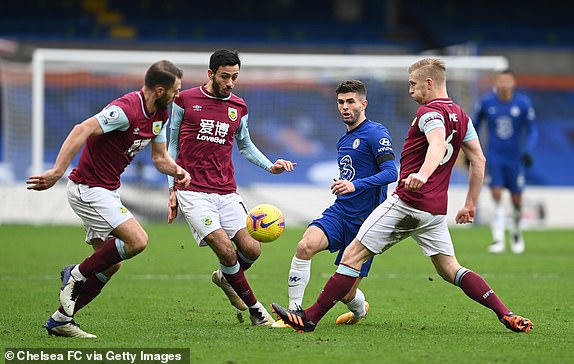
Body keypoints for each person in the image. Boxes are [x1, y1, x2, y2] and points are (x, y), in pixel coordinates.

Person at [271, 58, 533, 334]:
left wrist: (423, 174)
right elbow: (478, 159)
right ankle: (507, 313)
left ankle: (309, 318)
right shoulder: (462, 115)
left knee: (351, 255)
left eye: (413, 84)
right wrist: (470, 203)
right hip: (433, 212)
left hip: (407, 202)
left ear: (429, 84)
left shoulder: (428, 113)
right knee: (451, 269)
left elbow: (435, 142)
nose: (410, 90)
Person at [27, 60, 192, 338]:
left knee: (110, 263)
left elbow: (159, 158)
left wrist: (177, 170)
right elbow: (81, 129)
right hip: (88, 189)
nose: (179, 95)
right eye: (176, 90)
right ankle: (75, 275)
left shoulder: (160, 115)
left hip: (106, 190)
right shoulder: (125, 110)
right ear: (160, 89)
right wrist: (58, 171)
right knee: (137, 240)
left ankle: (61, 319)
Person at [167, 49, 295, 326]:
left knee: (252, 250)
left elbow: (245, 145)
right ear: (211, 74)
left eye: (235, 77)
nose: (230, 83)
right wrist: (172, 188)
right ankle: (257, 311)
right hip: (193, 191)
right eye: (225, 77)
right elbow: (172, 144)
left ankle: (226, 278)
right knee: (225, 250)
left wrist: (270, 166)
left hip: (226, 190)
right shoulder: (184, 100)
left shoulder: (238, 106)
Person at [272, 80, 397, 329]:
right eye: (340, 102)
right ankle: (293, 312)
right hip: (341, 211)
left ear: (364, 103)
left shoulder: (376, 133)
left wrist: (355, 185)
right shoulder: (343, 141)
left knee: (347, 295)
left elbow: (391, 173)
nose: (345, 107)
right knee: (305, 245)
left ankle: (360, 310)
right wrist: (345, 183)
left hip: (366, 222)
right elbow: (353, 174)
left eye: (351, 101)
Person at [473, 69, 538, 254]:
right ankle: (498, 239)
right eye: (500, 81)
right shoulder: (486, 102)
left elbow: (532, 130)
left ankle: (516, 232)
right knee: (496, 194)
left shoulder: (523, 104)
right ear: (496, 83)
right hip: (495, 157)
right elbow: (474, 126)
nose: (504, 84)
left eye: (507, 81)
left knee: (516, 200)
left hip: (515, 159)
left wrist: (529, 150)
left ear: (513, 83)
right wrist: (472, 151)